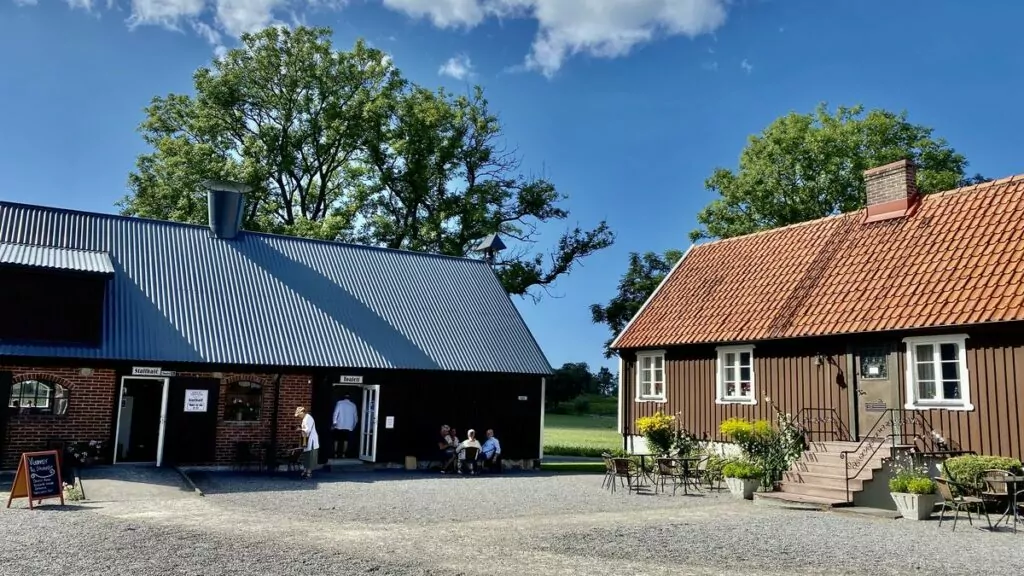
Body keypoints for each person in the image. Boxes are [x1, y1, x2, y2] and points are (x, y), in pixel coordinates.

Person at [294, 406, 319, 479]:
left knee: (310, 457)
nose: (298, 416)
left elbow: (307, 430)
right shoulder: (305, 418)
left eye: (299, 415)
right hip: (305, 439)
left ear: (302, 412)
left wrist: (300, 429)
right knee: (306, 456)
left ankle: (309, 472)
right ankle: (305, 470)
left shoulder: (308, 418)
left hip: (311, 440)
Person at [331, 394, 358, 458]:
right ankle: (343, 454)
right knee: (346, 440)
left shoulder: (339, 403)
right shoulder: (353, 405)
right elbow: (355, 417)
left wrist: (334, 423)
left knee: (336, 440)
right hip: (348, 426)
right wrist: (353, 426)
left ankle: (335, 453)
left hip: (339, 425)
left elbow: (335, 413)